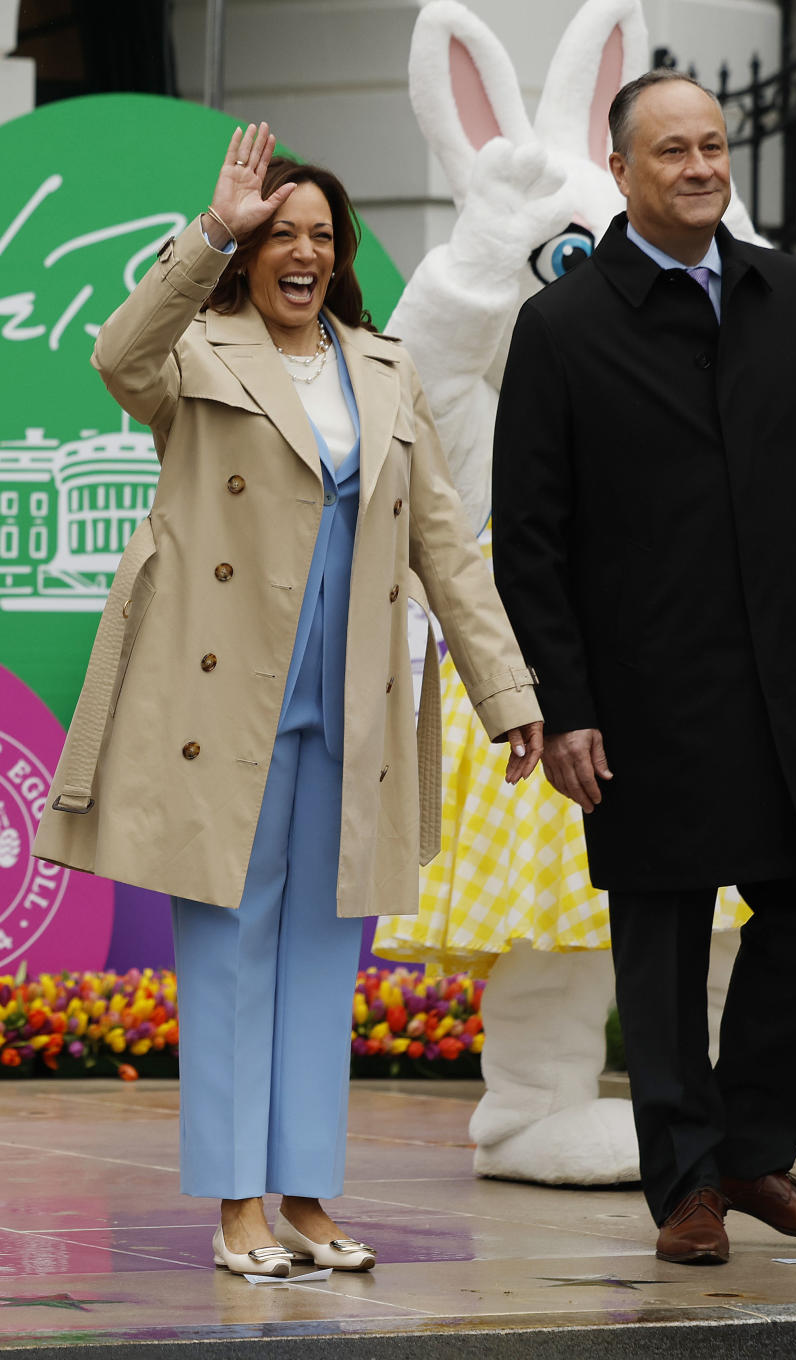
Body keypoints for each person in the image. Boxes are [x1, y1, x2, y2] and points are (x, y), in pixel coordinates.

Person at [33, 122, 542, 1278]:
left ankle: (308, 1196)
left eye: (322, 234)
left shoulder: (385, 364)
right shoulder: (197, 352)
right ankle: (237, 1209)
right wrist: (208, 225)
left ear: (341, 253)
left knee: (323, 958)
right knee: (229, 954)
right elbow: (117, 353)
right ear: (251, 251)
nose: (302, 252)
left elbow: (448, 545)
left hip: (348, 704)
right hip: (223, 708)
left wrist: (507, 691)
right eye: (280, 233)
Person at [490, 71, 796, 1266]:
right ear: (621, 173)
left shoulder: (792, 298)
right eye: (672, 150)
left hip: (791, 681)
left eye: (715, 145)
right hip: (645, 696)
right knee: (666, 944)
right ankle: (684, 1186)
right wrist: (561, 704)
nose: (701, 166)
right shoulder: (564, 327)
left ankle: (751, 1152)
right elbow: (528, 536)